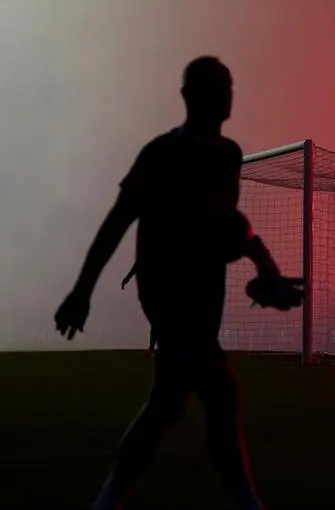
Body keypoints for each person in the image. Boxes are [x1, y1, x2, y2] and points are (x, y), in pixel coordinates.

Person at [53, 56, 294, 510]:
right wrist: (82, 290)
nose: (224, 94)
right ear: (188, 97)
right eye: (213, 86)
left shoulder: (228, 155)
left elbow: (224, 225)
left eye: (227, 85)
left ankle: (110, 500)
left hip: (206, 293)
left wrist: (265, 267)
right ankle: (245, 501)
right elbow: (118, 221)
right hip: (168, 291)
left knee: (170, 403)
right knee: (218, 391)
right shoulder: (160, 154)